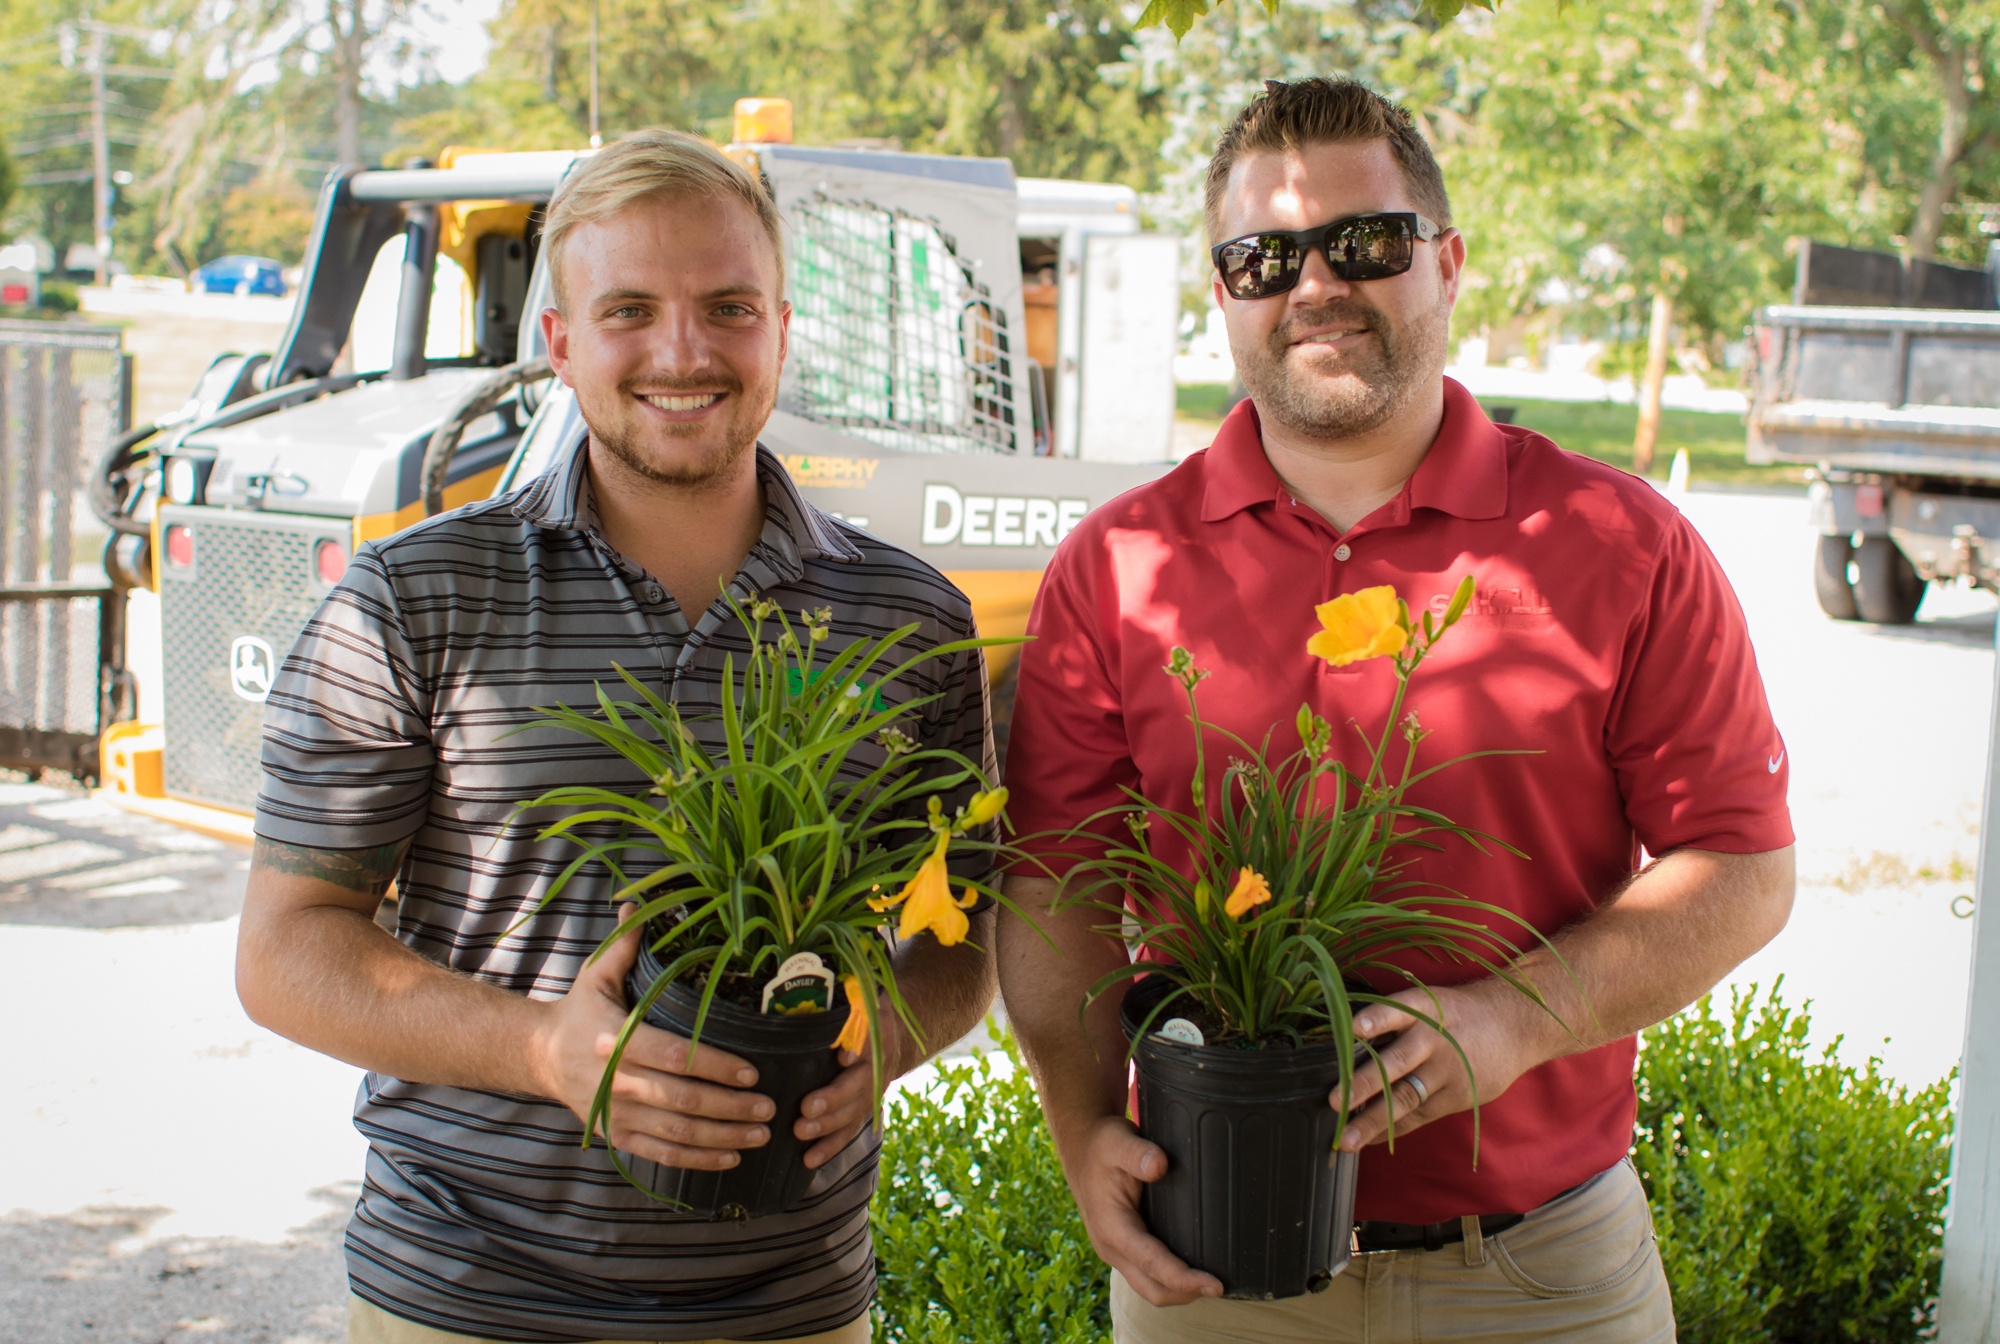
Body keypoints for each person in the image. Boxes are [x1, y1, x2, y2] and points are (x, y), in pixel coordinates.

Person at [997, 77, 1794, 1343]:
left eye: (1361, 244)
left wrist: (1514, 1019)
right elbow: (1054, 884)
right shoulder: (1114, 567)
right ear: (1222, 295)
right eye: (1261, 258)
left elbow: (1740, 866)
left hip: (1539, 1271)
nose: (1311, 285)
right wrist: (1080, 1121)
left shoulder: (1615, 543)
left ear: (1447, 263)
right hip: (1207, 1265)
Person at [235, 128, 998, 1344]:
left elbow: (962, 930)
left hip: (791, 1309)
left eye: (728, 306)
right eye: (630, 308)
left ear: (782, 330)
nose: (683, 351)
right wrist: (546, 1049)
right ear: (560, 346)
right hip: (466, 1301)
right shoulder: (413, 601)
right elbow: (284, 952)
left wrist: (887, 1034)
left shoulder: (907, 620)